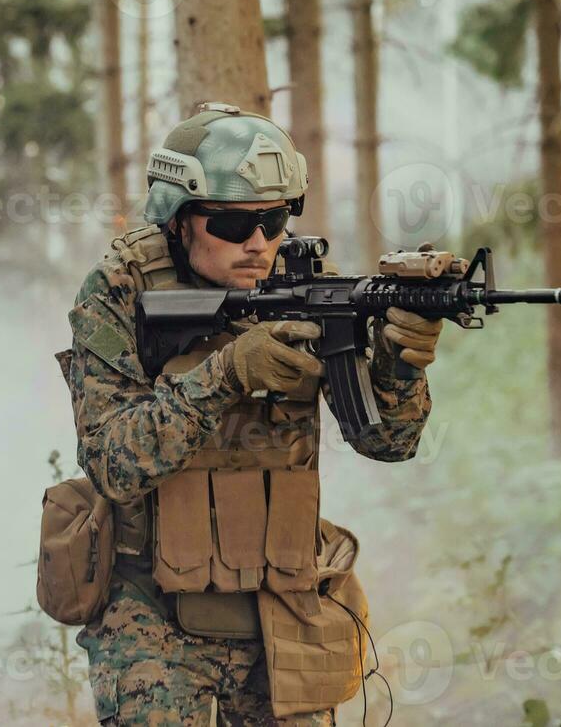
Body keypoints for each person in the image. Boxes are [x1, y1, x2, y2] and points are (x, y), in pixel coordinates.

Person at [54, 102, 445, 725]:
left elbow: (388, 443)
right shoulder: (123, 289)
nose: (258, 243)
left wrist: (401, 366)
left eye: (273, 219)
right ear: (179, 219)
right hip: (152, 611)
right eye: (233, 226)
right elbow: (113, 464)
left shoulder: (307, 282)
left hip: (282, 598)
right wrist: (228, 373)